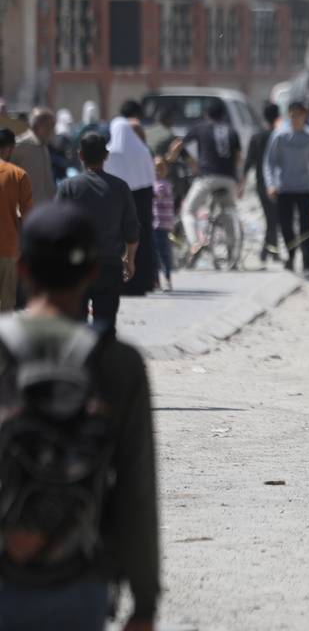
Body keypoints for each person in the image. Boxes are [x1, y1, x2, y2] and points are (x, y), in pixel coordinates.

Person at [0, 202, 159, 630]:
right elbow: (136, 490)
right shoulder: (118, 363)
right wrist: (144, 602)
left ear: (24, 268)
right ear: (92, 272)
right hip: (79, 578)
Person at [55, 133, 139, 330]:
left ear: (80, 155)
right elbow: (132, 230)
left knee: (75, 325)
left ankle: (80, 360)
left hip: (76, 266)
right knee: (106, 323)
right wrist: (130, 259)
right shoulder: (120, 187)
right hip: (109, 265)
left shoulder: (68, 187)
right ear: (106, 155)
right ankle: (102, 359)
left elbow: (56, 226)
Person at [167, 102, 243, 260]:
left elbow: (179, 145)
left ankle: (195, 243)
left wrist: (171, 158)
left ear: (207, 114)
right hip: (229, 179)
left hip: (208, 177)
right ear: (223, 115)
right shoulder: (231, 130)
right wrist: (238, 181)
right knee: (228, 210)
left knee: (188, 210)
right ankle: (232, 251)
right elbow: (238, 158)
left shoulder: (200, 127)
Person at [265, 102, 309, 279]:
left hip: (304, 188)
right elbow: (269, 162)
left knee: (306, 227)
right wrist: (271, 184)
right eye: (292, 114)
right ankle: (291, 257)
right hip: (284, 188)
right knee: (286, 225)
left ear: (304, 116)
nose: (295, 118)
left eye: (299, 115)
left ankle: (307, 265)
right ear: (288, 115)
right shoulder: (280, 136)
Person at [107, 102, 158, 296]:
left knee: (123, 242)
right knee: (143, 241)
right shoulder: (143, 151)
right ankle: (144, 282)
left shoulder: (110, 153)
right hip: (142, 204)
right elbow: (149, 180)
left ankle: (123, 282)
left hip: (120, 206)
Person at [0, 128, 33, 312]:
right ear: (10, 149)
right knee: (5, 307)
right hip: (8, 248)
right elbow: (28, 218)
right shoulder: (18, 175)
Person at [245, 103, 282, 263]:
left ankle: (269, 251)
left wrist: (241, 183)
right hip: (279, 183)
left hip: (262, 184)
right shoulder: (279, 136)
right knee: (274, 219)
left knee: (271, 218)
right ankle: (269, 251)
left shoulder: (257, 137)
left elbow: (248, 163)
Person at [11, 107, 56, 208]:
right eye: (49, 126)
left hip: (43, 211)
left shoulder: (43, 146)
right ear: (38, 125)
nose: (51, 130)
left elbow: (48, 184)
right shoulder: (20, 145)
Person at [151, 157, 175, 292]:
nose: (157, 170)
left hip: (161, 224)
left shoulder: (163, 184)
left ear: (166, 170)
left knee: (162, 253)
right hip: (155, 224)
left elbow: (157, 194)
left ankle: (166, 279)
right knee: (154, 254)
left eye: (160, 167)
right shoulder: (154, 182)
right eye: (155, 167)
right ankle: (156, 280)